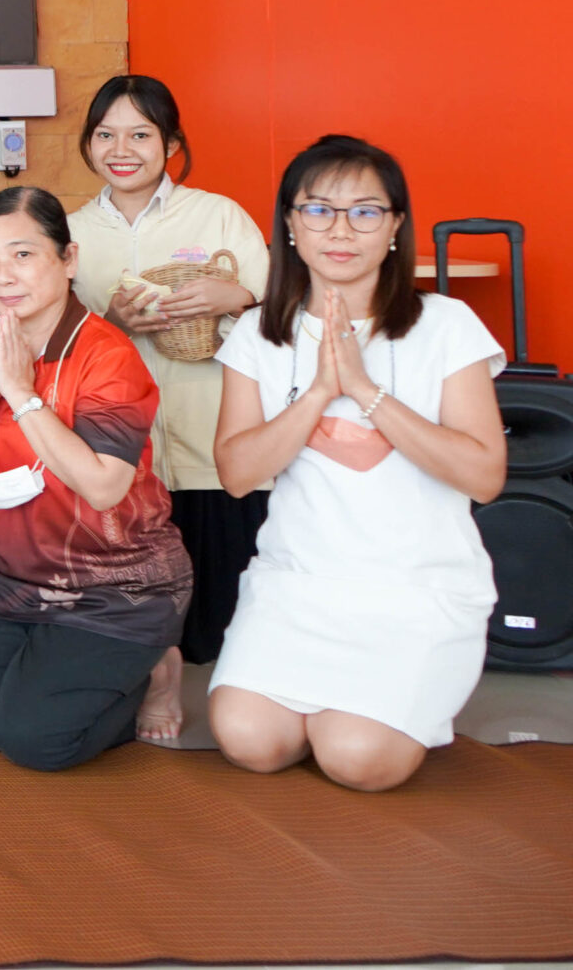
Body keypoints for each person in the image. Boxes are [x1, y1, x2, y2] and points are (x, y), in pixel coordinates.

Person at [207, 135, 507, 792]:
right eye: (318, 210)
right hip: (298, 584)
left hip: (416, 589)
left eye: (365, 212)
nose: (340, 230)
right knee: (250, 740)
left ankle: (378, 709)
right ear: (290, 224)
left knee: (356, 757)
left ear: (395, 225)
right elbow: (236, 472)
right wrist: (319, 391)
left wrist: (366, 390)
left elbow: (485, 475)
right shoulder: (257, 333)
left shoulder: (446, 324)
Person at [0, 187, 193, 771]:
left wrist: (22, 395)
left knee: (37, 742)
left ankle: (156, 670)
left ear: (68, 259)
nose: (1, 276)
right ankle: (58, 670)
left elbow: (103, 486)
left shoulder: (108, 355)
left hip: (117, 589)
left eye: (22, 254)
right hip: (21, 583)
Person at [67, 75, 270, 737]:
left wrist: (237, 298)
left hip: (211, 439)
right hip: (119, 452)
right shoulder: (69, 233)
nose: (121, 149)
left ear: (172, 143)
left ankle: (245, 709)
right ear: (88, 143)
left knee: (224, 610)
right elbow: (51, 339)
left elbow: (282, 314)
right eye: (105, 134)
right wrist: (109, 322)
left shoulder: (219, 217)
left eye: (140, 134)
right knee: (140, 598)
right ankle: (152, 685)